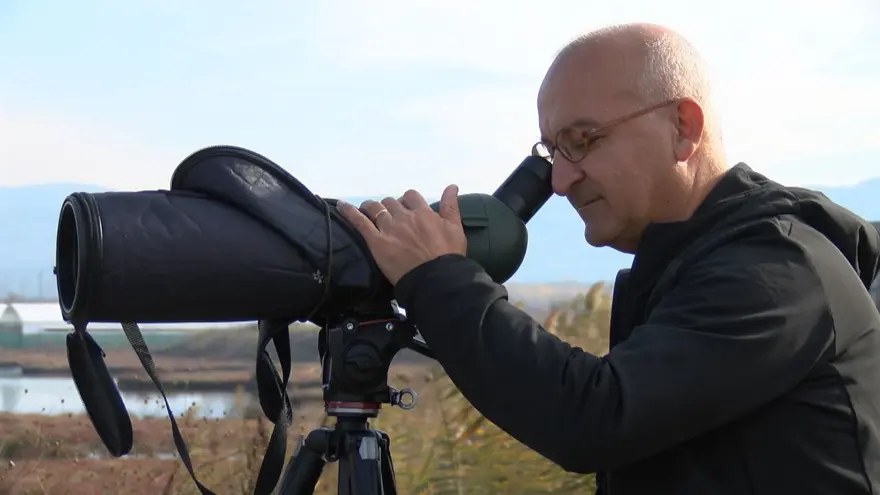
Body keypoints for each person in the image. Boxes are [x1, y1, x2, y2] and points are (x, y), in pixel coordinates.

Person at [337, 22, 880, 495]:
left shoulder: (780, 267)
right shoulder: (684, 269)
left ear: (683, 128)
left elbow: (596, 418)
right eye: (551, 151)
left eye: (583, 140)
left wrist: (436, 278)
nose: (560, 179)